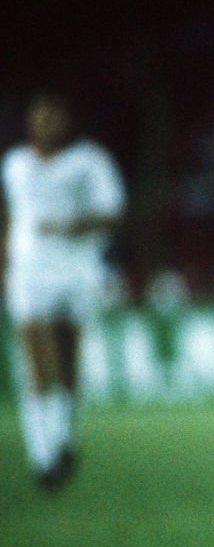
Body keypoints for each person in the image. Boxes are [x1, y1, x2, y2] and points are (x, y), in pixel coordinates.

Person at [2, 93, 126, 490]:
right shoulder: (15, 165)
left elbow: (112, 212)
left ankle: (64, 437)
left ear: (66, 119)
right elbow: (9, 217)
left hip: (76, 270)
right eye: (38, 115)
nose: (45, 123)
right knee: (36, 360)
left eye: (53, 114)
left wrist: (71, 227)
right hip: (28, 272)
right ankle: (44, 456)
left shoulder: (89, 161)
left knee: (68, 358)